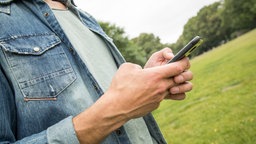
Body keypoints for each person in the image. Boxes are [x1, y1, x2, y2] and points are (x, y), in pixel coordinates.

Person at [0, 0, 193, 143]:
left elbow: (103, 92)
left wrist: (147, 83)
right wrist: (115, 110)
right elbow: (116, 105)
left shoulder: (83, 17)